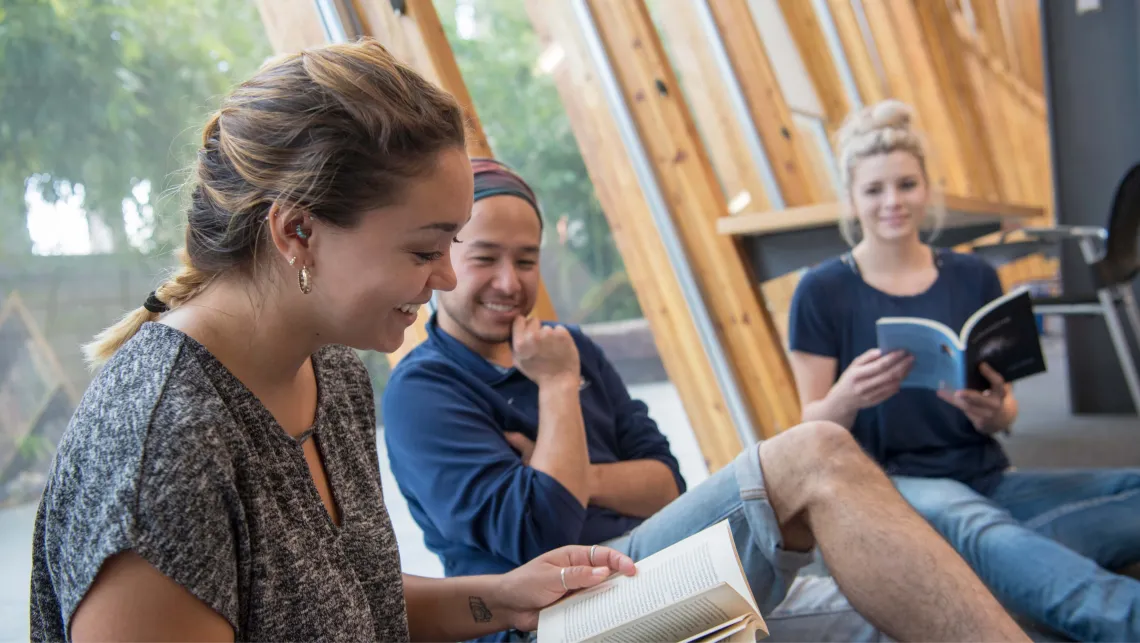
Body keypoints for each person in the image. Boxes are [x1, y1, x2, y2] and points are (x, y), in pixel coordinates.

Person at [27, 39, 641, 642]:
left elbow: (348, 604)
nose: (447, 277)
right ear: (297, 230)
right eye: (424, 250)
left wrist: (500, 598)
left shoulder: (333, 369)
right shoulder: (158, 454)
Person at [381, 158, 1029, 642]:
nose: (509, 282)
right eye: (485, 258)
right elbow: (541, 530)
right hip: (555, 615)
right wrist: (556, 389)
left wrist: (571, 474)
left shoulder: (566, 343)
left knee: (888, 618)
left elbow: (665, 482)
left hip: (656, 564)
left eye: (526, 260)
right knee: (817, 449)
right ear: (442, 259)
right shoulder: (423, 391)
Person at [786, 98, 1140, 642]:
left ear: (928, 188)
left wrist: (996, 412)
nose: (892, 202)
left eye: (906, 185)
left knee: (1127, 491)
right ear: (852, 200)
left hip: (986, 476)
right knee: (979, 526)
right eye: (874, 190)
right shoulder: (822, 290)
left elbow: (1006, 410)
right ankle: (1120, 616)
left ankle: (983, 571)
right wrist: (849, 396)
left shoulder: (974, 276)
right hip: (894, 488)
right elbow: (809, 427)